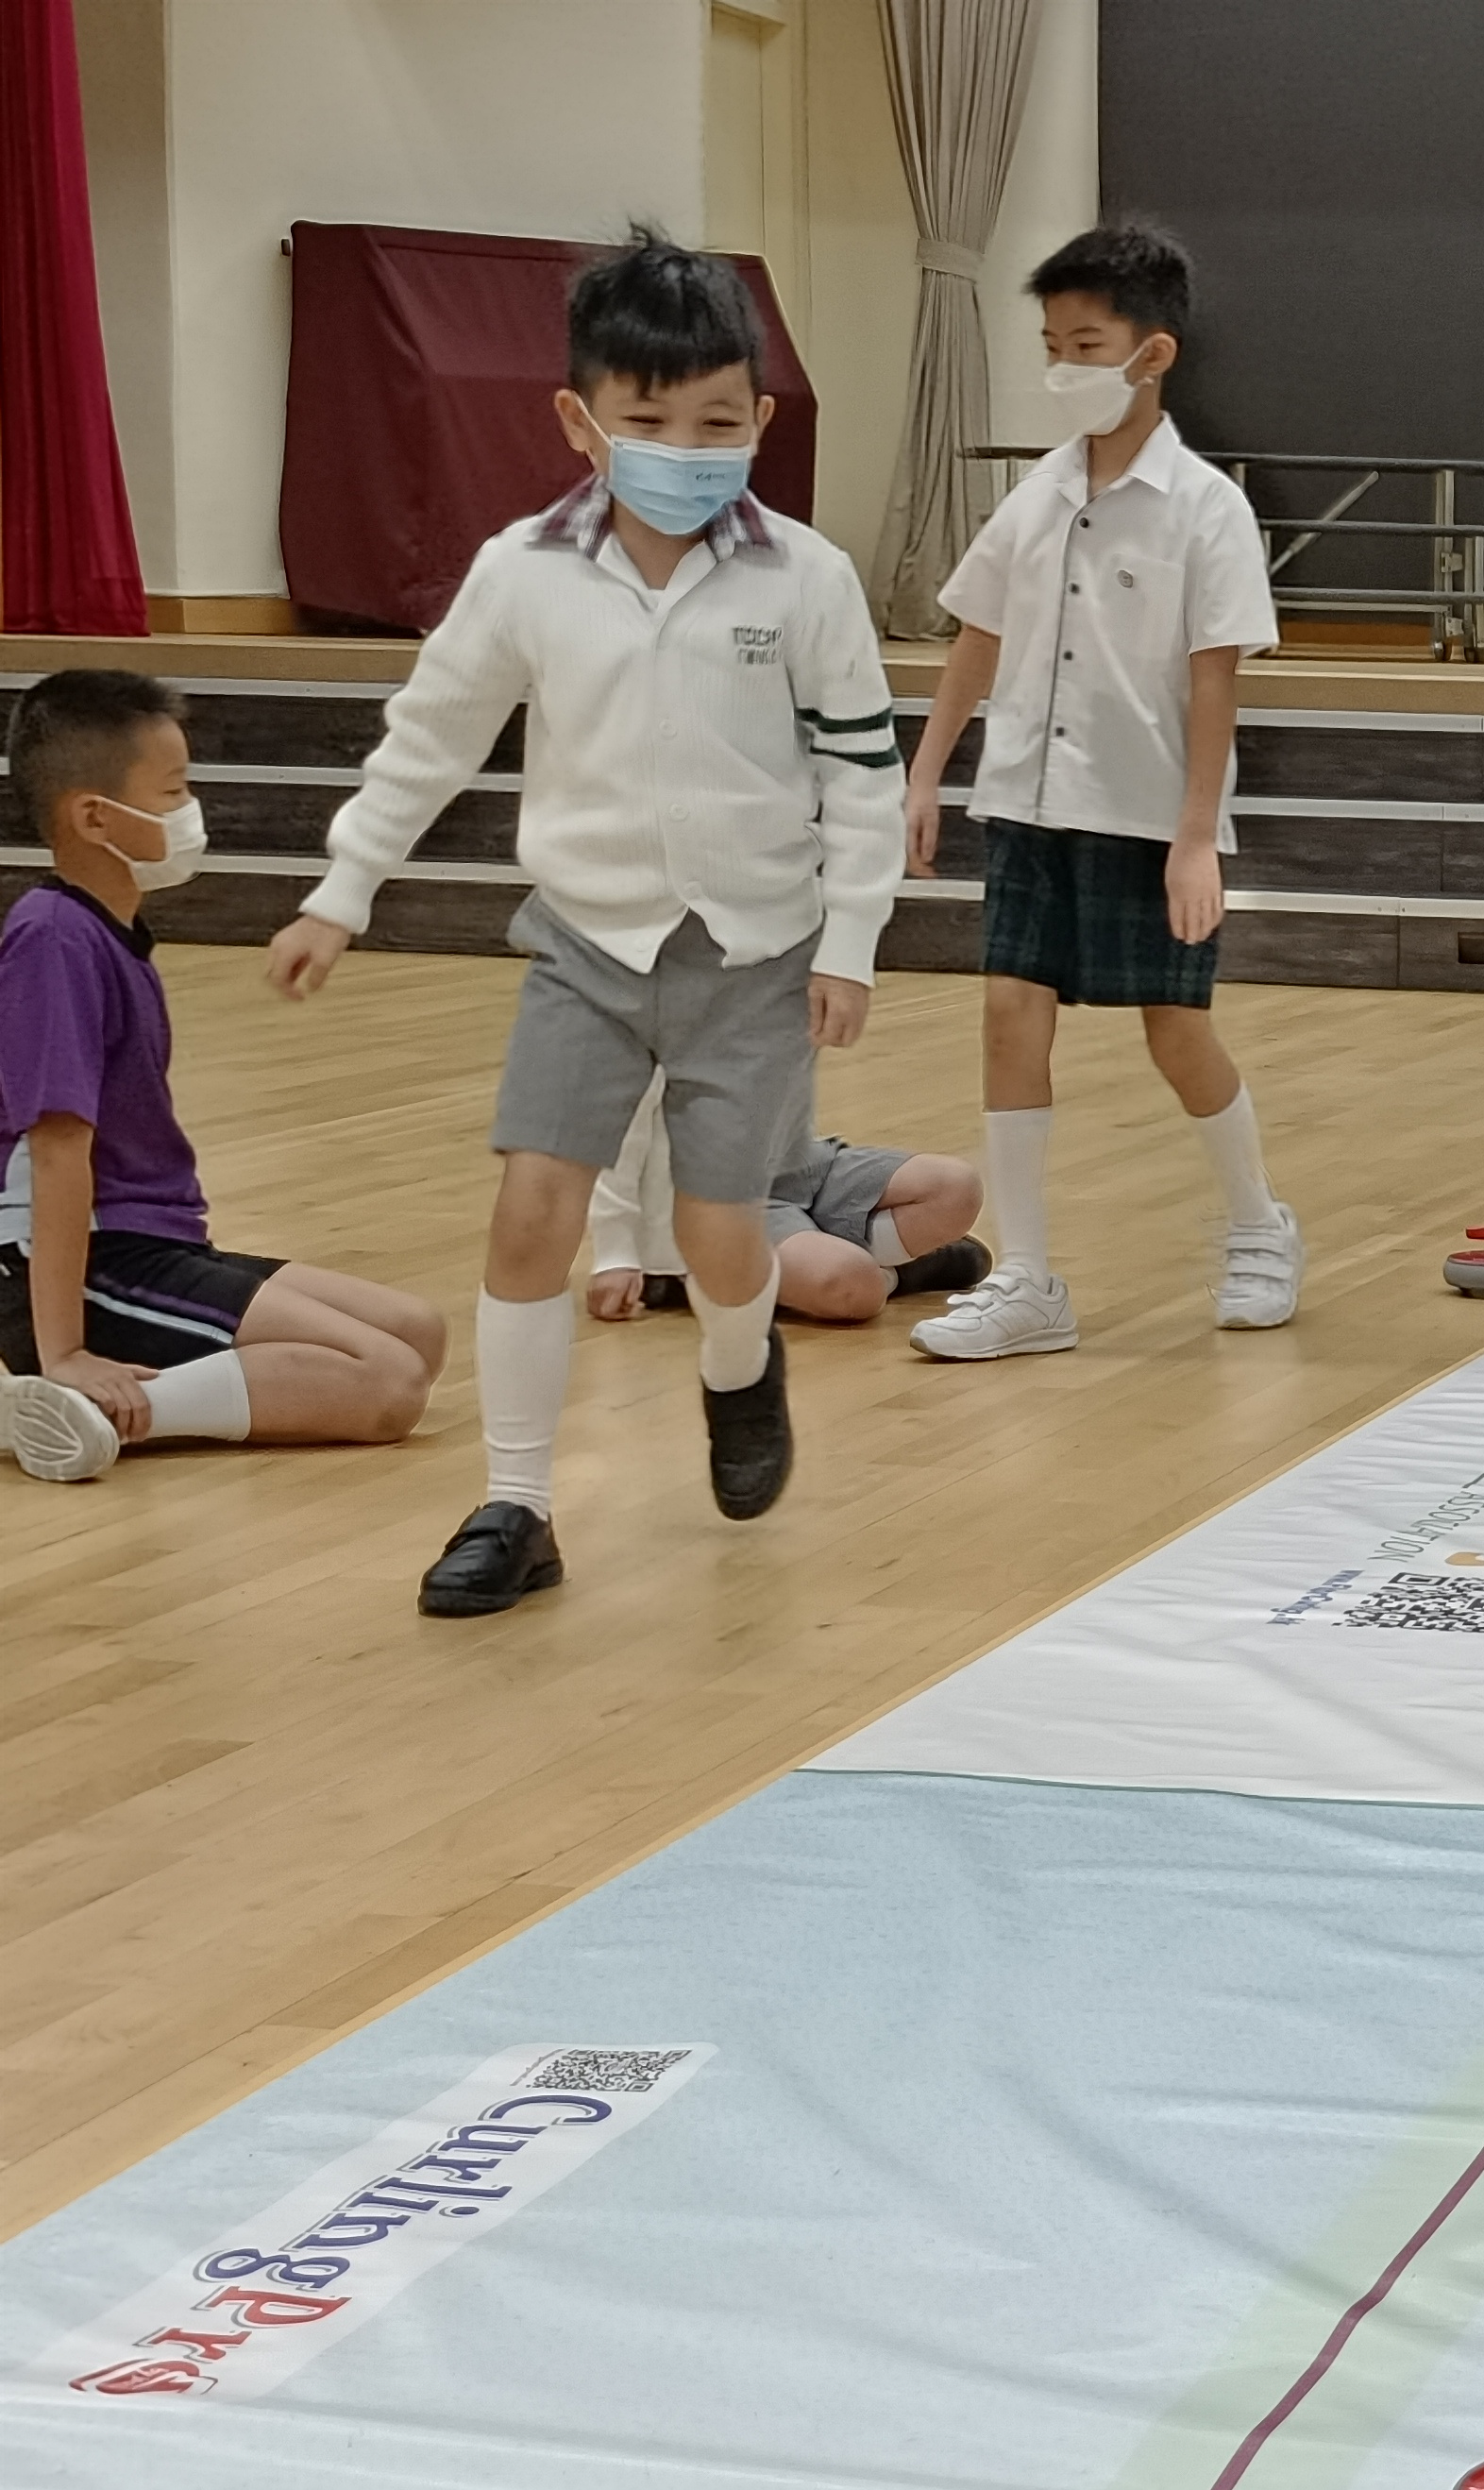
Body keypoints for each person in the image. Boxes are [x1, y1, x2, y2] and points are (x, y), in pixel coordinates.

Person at [263, 230, 904, 1616]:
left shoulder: (806, 578)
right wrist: (342, 889)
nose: (686, 449)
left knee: (719, 1232)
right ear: (579, 419)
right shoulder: (522, 571)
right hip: (584, 946)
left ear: (760, 417)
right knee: (530, 1211)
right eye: (648, 421)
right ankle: (517, 1503)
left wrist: (851, 946)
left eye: (719, 423)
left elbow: (864, 776)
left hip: (754, 954)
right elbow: (430, 738)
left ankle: (739, 1367)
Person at [900, 217, 1291, 1362]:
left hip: (1144, 813)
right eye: (1051, 347)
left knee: (1176, 1031)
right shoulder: (1036, 494)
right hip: (1027, 803)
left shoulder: (1207, 507)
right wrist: (925, 772)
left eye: (1086, 346)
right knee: (1008, 1017)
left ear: (1151, 354)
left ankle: (1258, 1224)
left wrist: (1194, 838)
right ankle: (1027, 1277)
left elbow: (1214, 679)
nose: (1064, 368)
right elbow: (977, 634)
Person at [1, 670, 445, 1483]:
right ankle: (84, 1406)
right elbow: (57, 1150)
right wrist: (62, 1348)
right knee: (387, 1383)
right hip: (89, 1262)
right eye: (172, 792)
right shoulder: (53, 937)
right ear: (94, 816)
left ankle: (121, 1392)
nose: (190, 810)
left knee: (417, 1331)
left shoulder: (109, 932)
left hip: (152, 1242)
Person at [586, 1084, 987, 1325]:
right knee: (857, 1288)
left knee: (957, 1188)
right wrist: (614, 1257)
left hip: (802, 1164)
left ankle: (810, 1259)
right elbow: (615, 1139)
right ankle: (896, 1273)